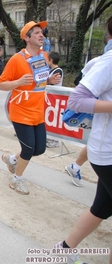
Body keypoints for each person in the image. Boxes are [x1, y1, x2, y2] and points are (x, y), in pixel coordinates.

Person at [54, 16, 112, 264]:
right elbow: (76, 100)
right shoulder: (109, 61)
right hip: (107, 151)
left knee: (102, 208)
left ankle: (64, 248)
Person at [0, 21, 61, 195]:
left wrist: (49, 81)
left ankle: (11, 159)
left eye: (42, 33)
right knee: (28, 149)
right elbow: (2, 85)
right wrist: (18, 82)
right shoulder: (16, 59)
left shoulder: (43, 56)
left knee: (39, 149)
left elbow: (38, 80)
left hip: (37, 111)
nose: (41, 35)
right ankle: (16, 180)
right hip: (20, 111)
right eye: (36, 33)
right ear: (26, 38)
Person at [64, 26, 112, 188]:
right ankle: (76, 165)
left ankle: (75, 166)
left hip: (103, 134)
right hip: (105, 139)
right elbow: (79, 88)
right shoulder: (102, 61)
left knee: (100, 209)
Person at [46, 51, 64, 148]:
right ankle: (49, 137)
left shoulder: (58, 71)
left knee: (54, 117)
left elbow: (53, 83)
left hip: (55, 97)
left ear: (51, 60)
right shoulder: (50, 71)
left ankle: (54, 140)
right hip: (49, 97)